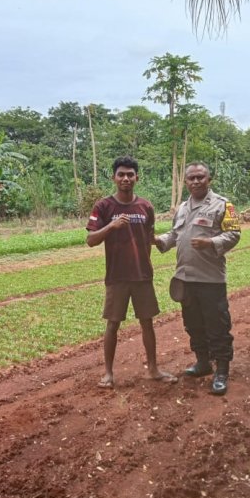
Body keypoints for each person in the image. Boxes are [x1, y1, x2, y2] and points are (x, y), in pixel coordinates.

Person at [86, 155, 178, 389]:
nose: (125, 178)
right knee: (112, 324)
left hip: (142, 275)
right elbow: (90, 240)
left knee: (147, 322)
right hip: (116, 276)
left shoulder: (146, 206)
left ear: (137, 177)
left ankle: (154, 369)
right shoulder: (104, 206)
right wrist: (111, 226)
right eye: (121, 174)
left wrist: (157, 245)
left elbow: (148, 237)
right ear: (113, 177)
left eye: (130, 174)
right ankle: (108, 373)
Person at [155, 162, 241, 395]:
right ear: (186, 182)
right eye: (191, 178)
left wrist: (211, 243)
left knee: (218, 325)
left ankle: (221, 370)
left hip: (211, 279)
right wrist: (159, 240)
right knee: (193, 324)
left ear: (208, 180)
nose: (195, 181)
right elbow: (175, 233)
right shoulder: (182, 207)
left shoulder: (223, 205)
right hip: (186, 277)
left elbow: (234, 234)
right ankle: (203, 362)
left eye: (200, 177)